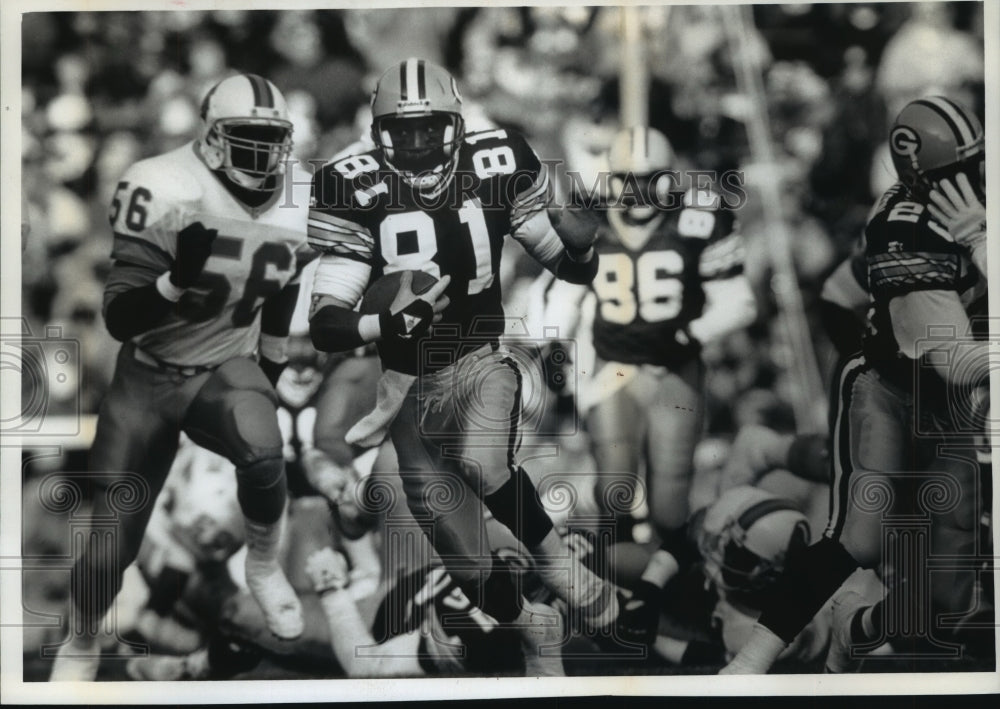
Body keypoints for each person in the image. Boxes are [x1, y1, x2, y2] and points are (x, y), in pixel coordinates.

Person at [307, 58, 620, 661]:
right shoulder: (350, 182)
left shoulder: (499, 157)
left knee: (483, 463)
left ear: (455, 125)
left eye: (431, 130)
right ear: (379, 135)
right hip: (406, 386)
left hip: (480, 355)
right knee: (470, 563)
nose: (420, 144)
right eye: (405, 132)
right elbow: (328, 320)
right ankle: (531, 623)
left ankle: (567, 576)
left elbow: (563, 260)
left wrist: (582, 250)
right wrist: (381, 321)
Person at [50, 73, 312, 680]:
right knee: (109, 548)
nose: (264, 153)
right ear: (214, 138)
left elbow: (282, 279)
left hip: (220, 367)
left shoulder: (298, 196)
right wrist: (172, 281)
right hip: (146, 377)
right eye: (248, 137)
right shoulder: (163, 186)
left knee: (263, 445)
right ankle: (83, 639)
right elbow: (118, 317)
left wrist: (269, 362)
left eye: (273, 139)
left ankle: (264, 566)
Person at [721, 96, 989, 674]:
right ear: (922, 174)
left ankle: (856, 628)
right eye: (962, 170)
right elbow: (966, 366)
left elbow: (842, 290)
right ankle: (751, 660)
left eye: (980, 162)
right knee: (859, 538)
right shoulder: (907, 230)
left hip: (951, 399)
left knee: (945, 596)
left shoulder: (962, 206)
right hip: (897, 389)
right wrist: (984, 246)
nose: (976, 178)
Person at [544, 126, 757, 642]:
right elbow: (562, 295)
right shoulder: (590, 219)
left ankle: (672, 593)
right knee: (613, 488)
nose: (637, 192)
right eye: (627, 180)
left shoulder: (697, 219)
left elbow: (739, 302)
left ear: (669, 178)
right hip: (617, 366)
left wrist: (692, 332)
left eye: (649, 180)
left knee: (668, 504)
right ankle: (611, 599)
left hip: (672, 368)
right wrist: (557, 347)